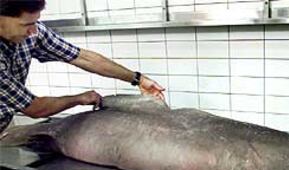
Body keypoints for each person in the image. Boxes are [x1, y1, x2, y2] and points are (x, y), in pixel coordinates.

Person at [0, 0, 165, 132]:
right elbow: (35, 109)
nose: (33, 31)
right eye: (26, 25)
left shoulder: (33, 34)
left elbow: (83, 58)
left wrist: (138, 78)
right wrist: (79, 99)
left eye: (35, 22)